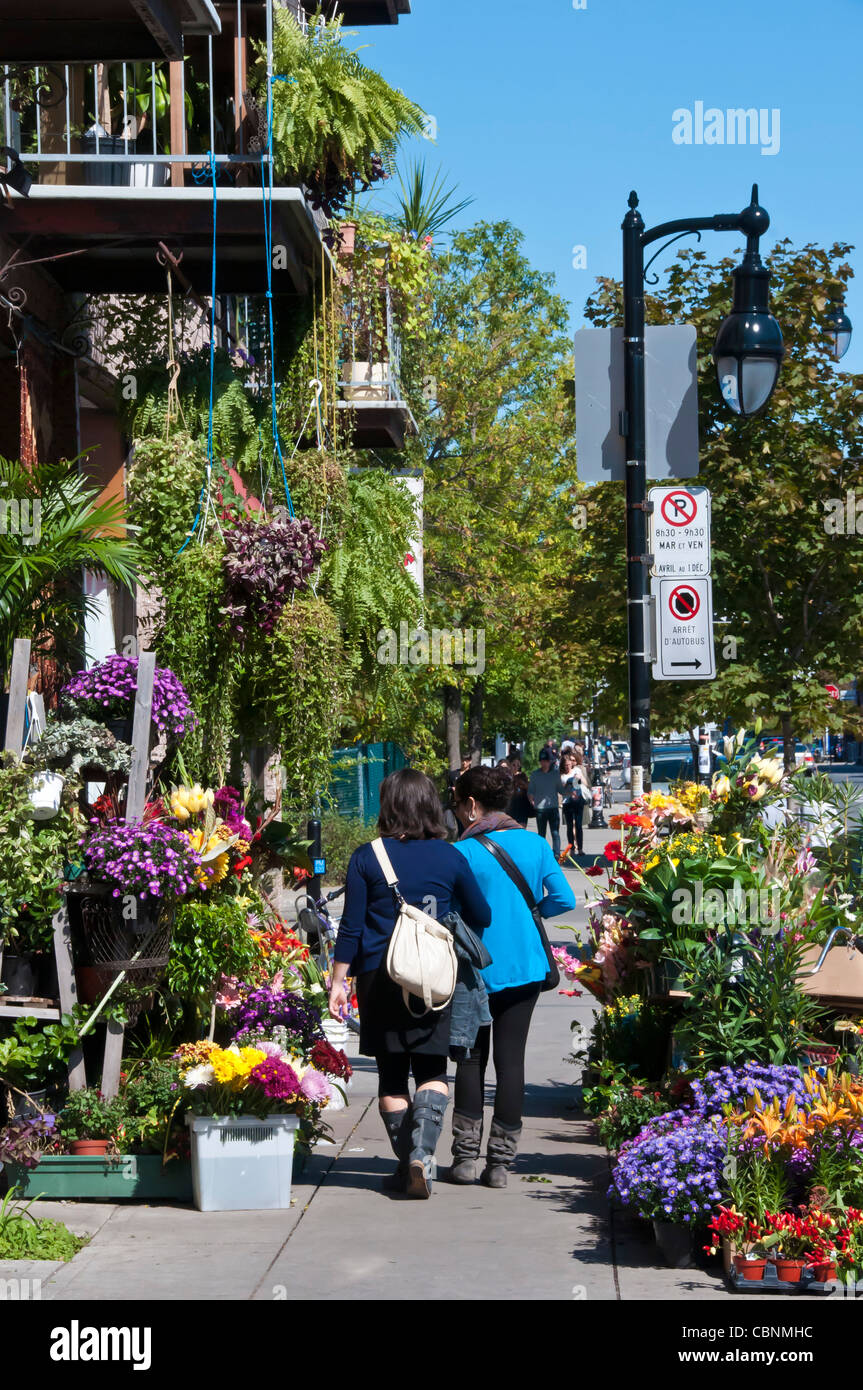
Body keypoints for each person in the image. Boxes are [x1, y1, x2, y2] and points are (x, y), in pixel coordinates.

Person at [330, 768, 491, 1199]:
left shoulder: (367, 857)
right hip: (434, 981)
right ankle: (422, 1154)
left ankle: (408, 1164)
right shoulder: (451, 856)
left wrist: (337, 982)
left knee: (391, 1074)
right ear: (429, 804)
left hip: (380, 978)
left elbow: (351, 927)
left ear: (388, 806)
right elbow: (482, 915)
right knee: (433, 1069)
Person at [449, 764, 575, 1185]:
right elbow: (564, 898)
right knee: (511, 1060)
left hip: (473, 968)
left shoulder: (461, 851)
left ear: (470, 805)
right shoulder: (534, 844)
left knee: (469, 1058)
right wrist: (530, 910)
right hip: (524, 967)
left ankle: (465, 1158)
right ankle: (500, 1164)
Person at [527, 749, 567, 858]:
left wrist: (569, 789)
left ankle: (557, 853)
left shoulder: (555, 774)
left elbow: (560, 790)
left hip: (553, 807)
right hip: (540, 809)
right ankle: (543, 853)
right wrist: (531, 800)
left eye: (546, 761)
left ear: (550, 762)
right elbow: (530, 790)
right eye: (542, 761)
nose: (544, 763)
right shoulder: (535, 774)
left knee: (555, 833)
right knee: (541, 833)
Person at [559, 748, 590, 856]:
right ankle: (571, 849)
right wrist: (567, 783)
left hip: (578, 800)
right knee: (569, 826)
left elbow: (585, 784)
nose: (568, 767)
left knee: (578, 825)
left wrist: (579, 779)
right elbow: (560, 790)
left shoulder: (577, 771)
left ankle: (580, 849)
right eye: (566, 765)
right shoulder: (562, 775)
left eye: (569, 765)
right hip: (567, 801)